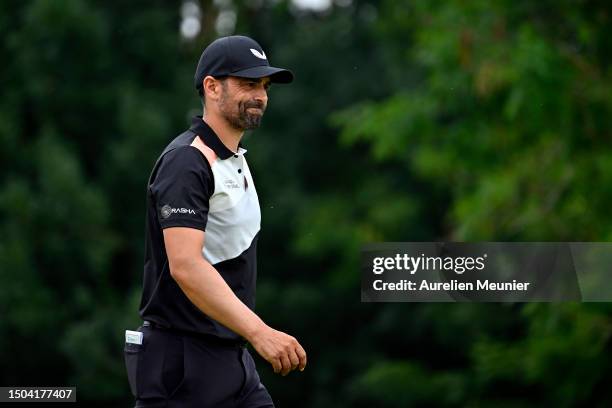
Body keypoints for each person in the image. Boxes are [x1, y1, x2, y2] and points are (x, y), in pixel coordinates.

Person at [124, 35, 307, 408]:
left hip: (231, 359)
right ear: (211, 87)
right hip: (183, 365)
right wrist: (261, 333)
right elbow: (186, 266)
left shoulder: (233, 158)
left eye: (265, 86)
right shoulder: (187, 162)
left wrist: (248, 336)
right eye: (248, 84)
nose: (260, 95)